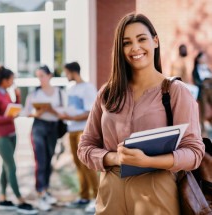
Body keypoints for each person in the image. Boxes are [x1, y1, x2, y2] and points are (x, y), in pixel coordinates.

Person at [77, 13, 205, 215]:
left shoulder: (175, 92)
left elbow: (194, 153)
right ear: (120, 49)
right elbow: (85, 147)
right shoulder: (107, 93)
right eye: (127, 42)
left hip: (157, 193)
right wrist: (114, 158)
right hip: (111, 194)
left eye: (142, 39)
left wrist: (148, 161)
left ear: (155, 41)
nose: (135, 48)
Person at [0, 66, 38, 214]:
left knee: (5, 167)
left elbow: (14, 108)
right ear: (4, 80)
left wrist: (18, 97)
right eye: (11, 79)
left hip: (12, 134)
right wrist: (8, 117)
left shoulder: (6, 93)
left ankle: (2, 198)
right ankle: (20, 200)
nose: (13, 82)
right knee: (12, 167)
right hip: (1, 137)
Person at [59, 62, 99, 213]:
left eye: (66, 73)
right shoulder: (71, 89)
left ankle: (97, 198)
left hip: (83, 130)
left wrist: (72, 117)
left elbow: (91, 112)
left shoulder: (88, 88)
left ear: (72, 72)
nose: (65, 76)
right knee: (77, 164)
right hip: (71, 130)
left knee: (87, 165)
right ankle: (84, 197)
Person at [24, 65, 64, 211]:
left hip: (53, 128)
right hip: (38, 127)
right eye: (38, 76)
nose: (40, 79)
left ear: (49, 76)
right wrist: (37, 113)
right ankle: (40, 193)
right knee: (40, 161)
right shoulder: (34, 94)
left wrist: (51, 110)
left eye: (42, 75)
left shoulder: (59, 93)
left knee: (48, 160)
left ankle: (45, 191)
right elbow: (27, 112)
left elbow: (63, 113)